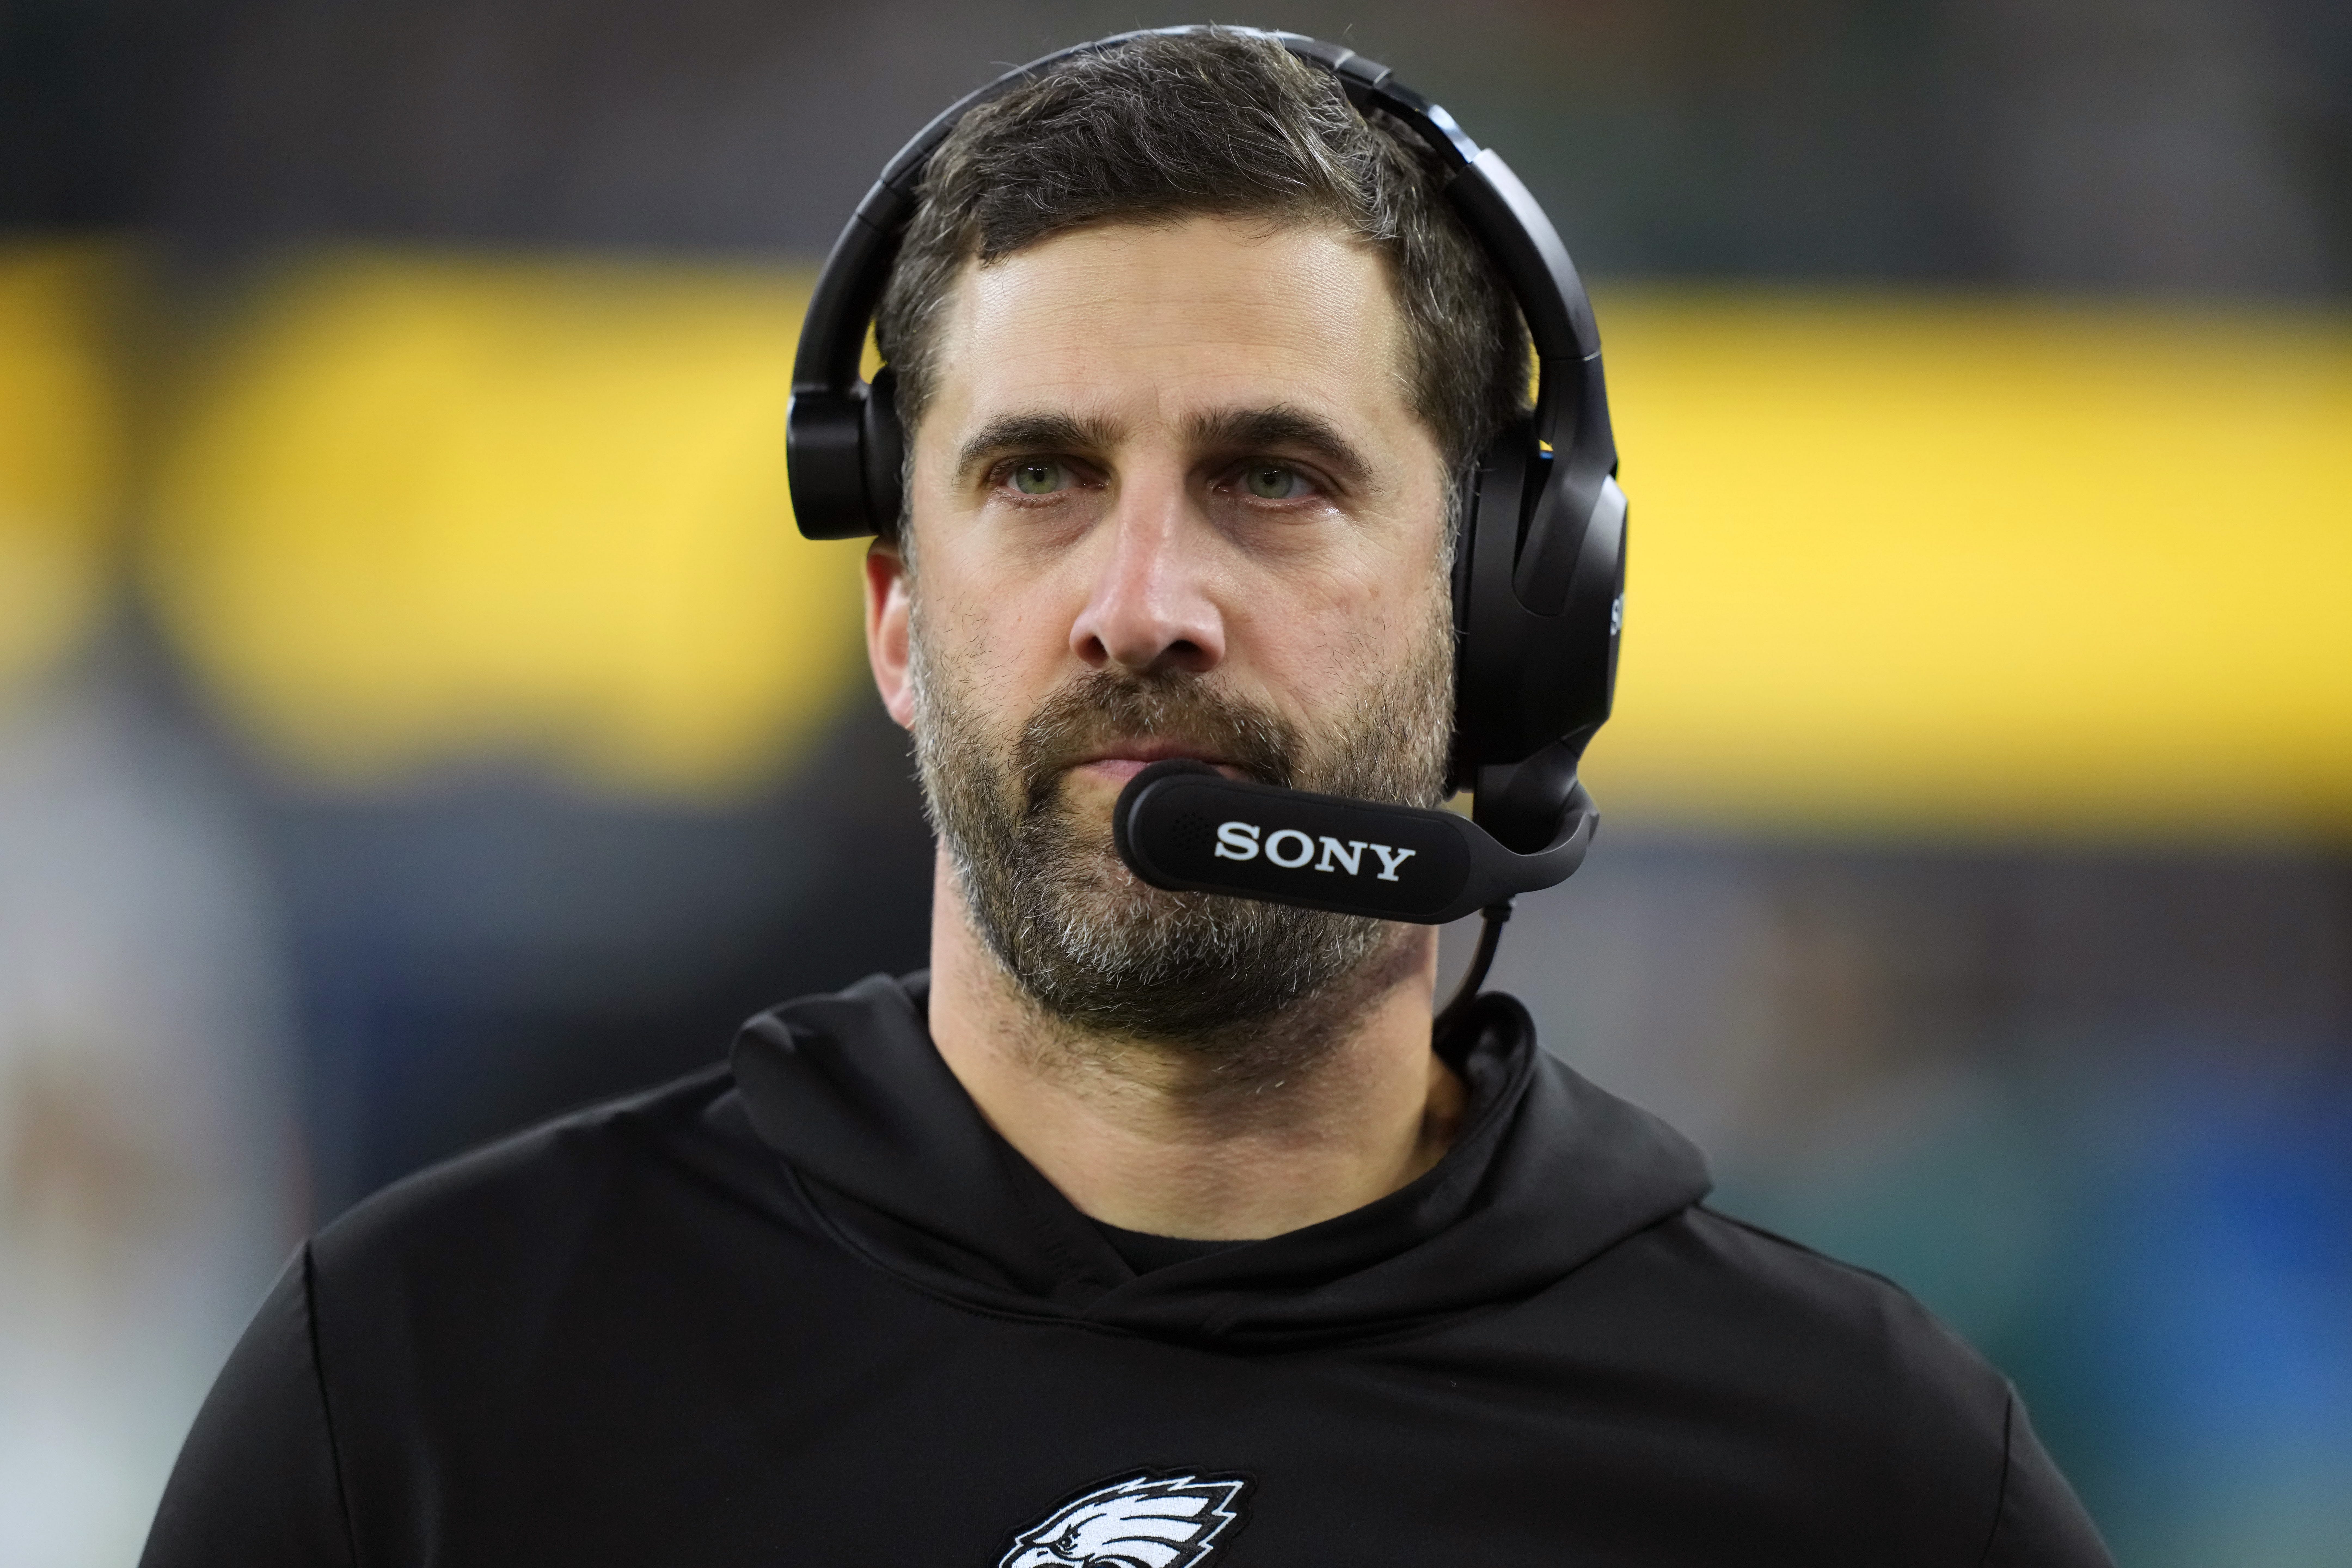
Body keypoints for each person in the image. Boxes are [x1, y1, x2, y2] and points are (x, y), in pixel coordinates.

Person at [142, 28, 2112, 1567]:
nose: (1141, 607)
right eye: (1039, 478)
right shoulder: (427, 1381)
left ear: (1513, 616)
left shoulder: (1859, 1472)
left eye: (1271, 477)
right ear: (898, 620)